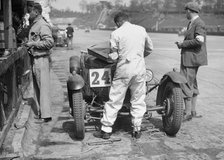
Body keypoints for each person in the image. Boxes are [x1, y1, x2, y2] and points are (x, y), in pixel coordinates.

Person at [93, 12, 153, 139]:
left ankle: (106, 130)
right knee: (138, 99)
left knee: (114, 99)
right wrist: (140, 57)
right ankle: (137, 129)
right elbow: (149, 48)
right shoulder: (141, 30)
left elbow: (114, 55)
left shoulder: (116, 33)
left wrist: (111, 57)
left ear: (118, 23)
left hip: (124, 69)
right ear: (128, 20)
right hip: (139, 68)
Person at [175, 2, 208, 121]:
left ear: (189, 10)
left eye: (186, 11)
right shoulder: (192, 23)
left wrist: (182, 44)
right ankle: (192, 111)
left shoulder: (198, 23)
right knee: (193, 84)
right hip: (192, 58)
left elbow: (199, 41)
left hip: (191, 59)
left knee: (185, 83)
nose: (185, 13)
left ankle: (187, 113)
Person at [25, 2, 54, 122]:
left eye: (30, 12)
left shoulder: (42, 25)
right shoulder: (35, 24)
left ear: (36, 12)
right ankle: (43, 113)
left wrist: (33, 44)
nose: (28, 14)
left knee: (43, 87)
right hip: (36, 59)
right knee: (38, 87)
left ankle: (46, 115)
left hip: (41, 59)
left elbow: (49, 42)